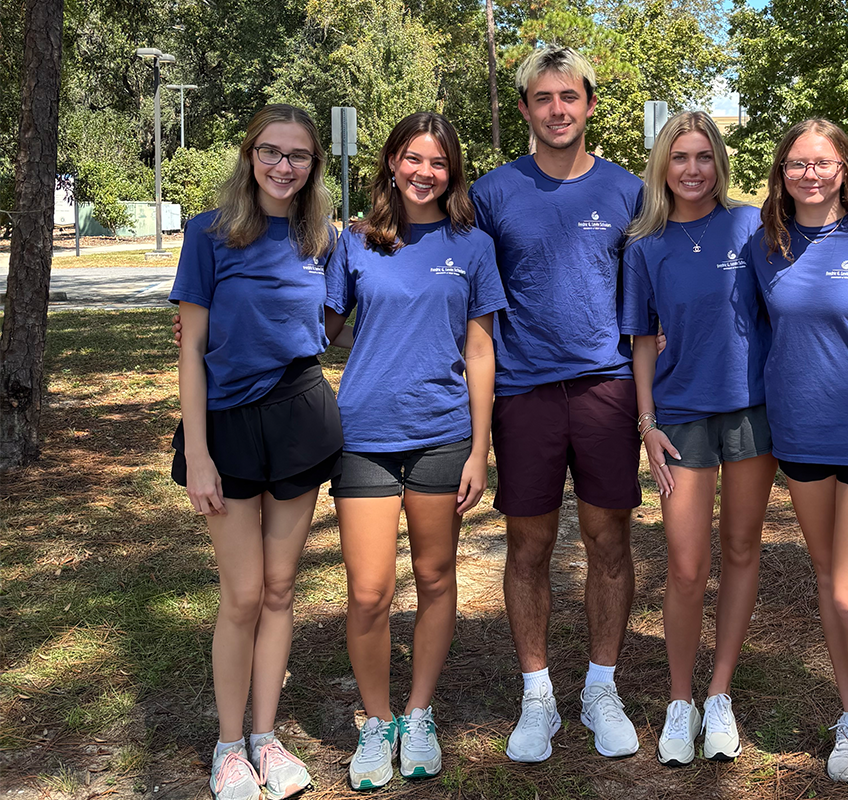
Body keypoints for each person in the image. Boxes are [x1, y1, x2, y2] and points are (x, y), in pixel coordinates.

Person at [468, 46, 645, 762]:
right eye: (543, 99)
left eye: (569, 97)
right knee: (529, 546)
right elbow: (448, 273)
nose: (557, 110)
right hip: (523, 391)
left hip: (606, 390)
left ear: (590, 104)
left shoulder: (630, 191)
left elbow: (658, 295)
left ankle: (601, 687)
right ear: (524, 110)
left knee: (609, 542)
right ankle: (536, 694)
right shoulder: (491, 193)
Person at [322, 112, 506, 787]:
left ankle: (419, 713)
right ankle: (377, 723)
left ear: (451, 172)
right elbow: (318, 327)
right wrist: (221, 329)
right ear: (391, 164)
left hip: (442, 436)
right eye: (411, 159)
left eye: (437, 162)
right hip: (363, 438)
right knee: (369, 593)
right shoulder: (355, 243)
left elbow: (480, 349)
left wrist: (479, 447)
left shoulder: (473, 246)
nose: (423, 173)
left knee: (434, 579)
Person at [169, 104, 341, 800]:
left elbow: (331, 321)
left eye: (297, 155)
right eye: (271, 151)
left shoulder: (323, 240)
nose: (282, 166)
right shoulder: (207, 235)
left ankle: (266, 740)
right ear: (250, 156)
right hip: (228, 427)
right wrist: (200, 454)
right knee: (240, 595)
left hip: (299, 417)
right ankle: (228, 746)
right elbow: (191, 352)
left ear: (312, 168)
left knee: (278, 590)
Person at [747, 119, 848, 800]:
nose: (807, 174)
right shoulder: (767, 245)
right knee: (823, 580)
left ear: (845, 169)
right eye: (795, 164)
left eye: (822, 163)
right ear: (782, 171)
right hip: (801, 433)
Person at [620, 111, 775, 766]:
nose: (692, 169)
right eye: (680, 157)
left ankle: (718, 696)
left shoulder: (750, 224)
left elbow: (792, 296)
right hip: (680, 418)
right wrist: (647, 424)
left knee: (740, 548)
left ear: (720, 163)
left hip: (750, 412)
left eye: (704, 156)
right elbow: (642, 344)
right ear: (664, 166)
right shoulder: (644, 245)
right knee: (685, 566)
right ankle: (679, 701)